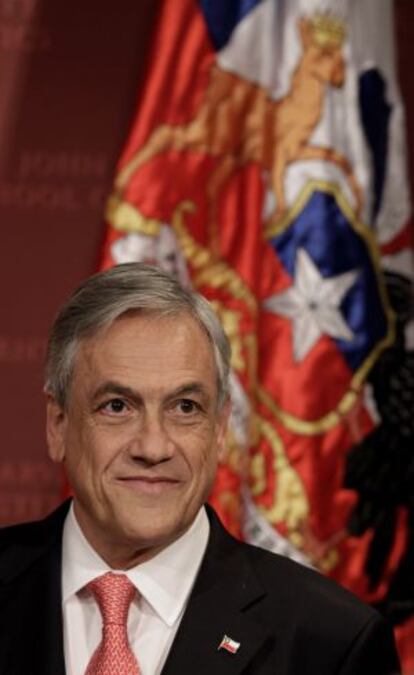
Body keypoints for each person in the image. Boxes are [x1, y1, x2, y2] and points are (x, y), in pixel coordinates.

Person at [0, 263, 401, 675]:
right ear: (58, 424)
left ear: (220, 429)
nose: (153, 447)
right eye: (117, 406)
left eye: (185, 407)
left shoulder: (331, 644)